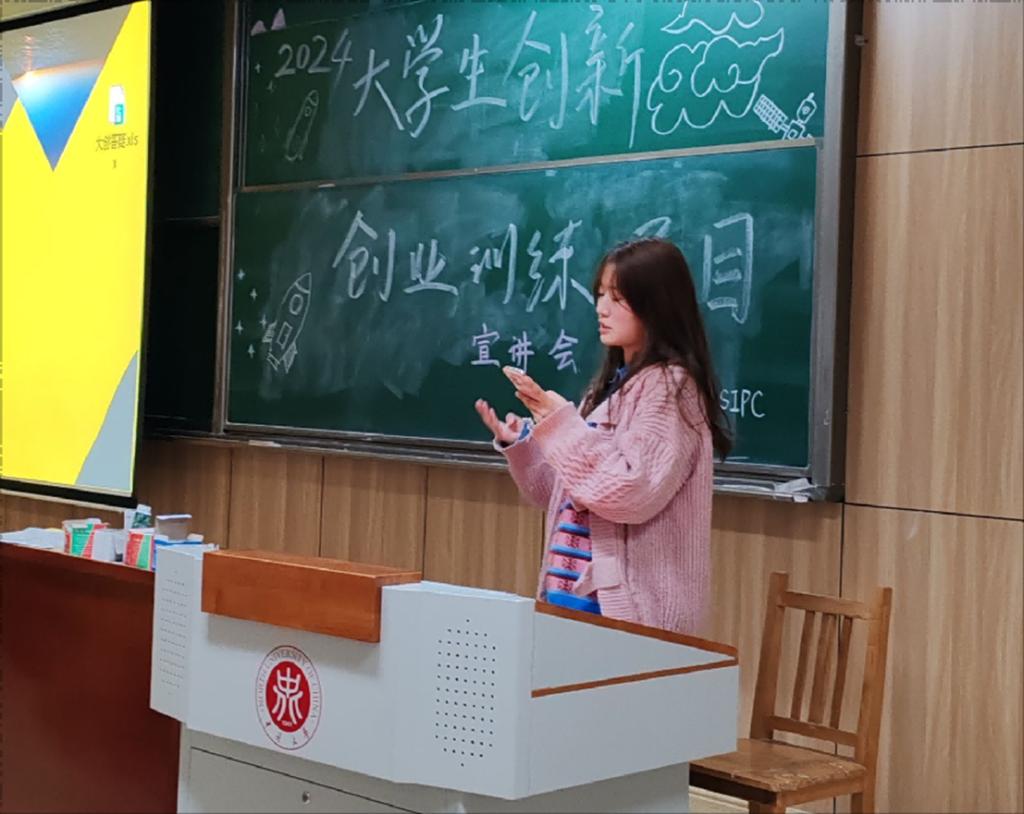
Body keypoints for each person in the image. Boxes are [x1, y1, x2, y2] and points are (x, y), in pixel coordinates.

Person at [474, 238, 732, 634]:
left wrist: (558, 423)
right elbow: (559, 492)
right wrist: (522, 446)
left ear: (656, 304)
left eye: (618, 298)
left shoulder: (670, 387)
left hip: (632, 614)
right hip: (573, 602)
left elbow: (628, 492)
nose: (601, 308)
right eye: (599, 295)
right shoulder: (607, 389)